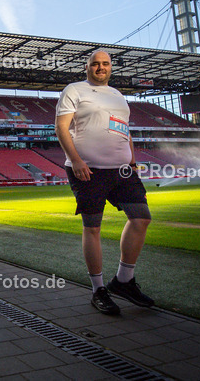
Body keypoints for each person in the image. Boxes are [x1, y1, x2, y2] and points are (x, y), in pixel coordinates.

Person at [55, 50, 154, 316]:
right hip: (88, 169)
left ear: (111, 67)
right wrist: (76, 160)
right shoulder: (74, 90)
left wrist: (133, 162)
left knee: (141, 218)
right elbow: (61, 128)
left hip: (123, 170)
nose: (101, 67)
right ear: (87, 67)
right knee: (93, 227)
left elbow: (124, 130)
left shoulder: (118, 95)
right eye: (96, 64)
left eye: (105, 64)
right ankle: (98, 289)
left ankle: (123, 281)